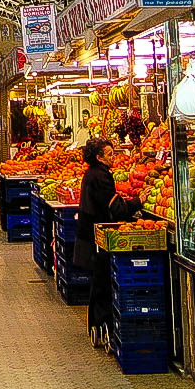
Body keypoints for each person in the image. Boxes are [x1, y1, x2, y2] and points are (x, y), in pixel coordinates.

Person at [72, 136, 126, 345]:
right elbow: (113, 209)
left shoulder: (92, 174)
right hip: (96, 237)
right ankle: (103, 326)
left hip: (89, 234)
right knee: (102, 283)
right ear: (99, 157)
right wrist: (135, 202)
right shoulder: (101, 177)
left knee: (98, 282)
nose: (114, 158)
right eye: (110, 154)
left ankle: (96, 325)